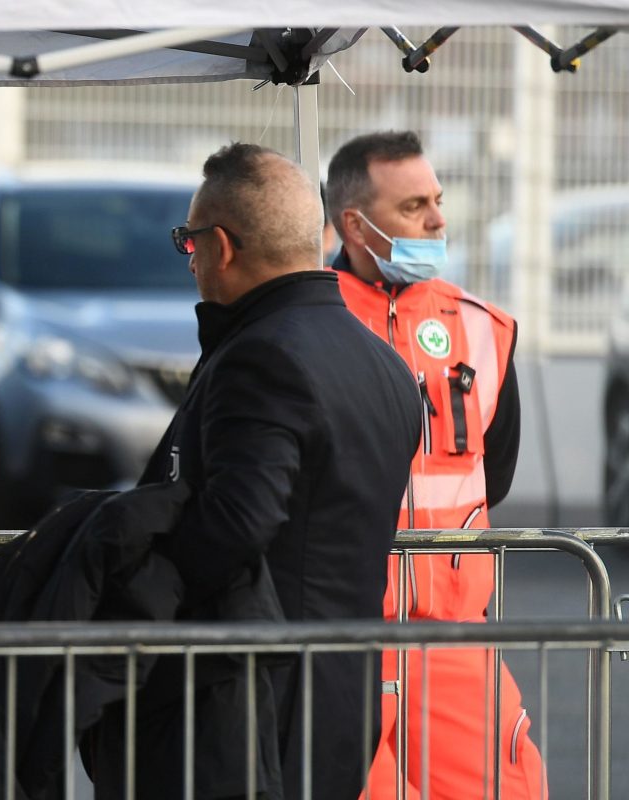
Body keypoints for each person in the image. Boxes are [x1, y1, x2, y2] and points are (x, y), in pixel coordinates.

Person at [139, 143, 421, 798]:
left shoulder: (261, 356)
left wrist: (140, 569)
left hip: (253, 708)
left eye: (188, 240)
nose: (190, 258)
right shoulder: (382, 361)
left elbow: (238, 523)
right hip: (345, 695)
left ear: (222, 247)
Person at [326, 130, 544, 798]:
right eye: (414, 206)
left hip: (450, 641)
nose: (438, 220)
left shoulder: (484, 328)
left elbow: (492, 475)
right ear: (353, 224)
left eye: (438, 200)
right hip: (337, 639)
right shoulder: (308, 323)